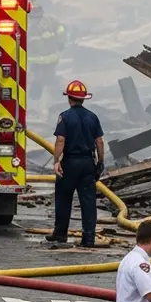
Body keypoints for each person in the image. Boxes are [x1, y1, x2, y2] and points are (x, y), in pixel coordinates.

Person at [46, 79, 105, 247]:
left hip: (70, 163)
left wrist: (56, 161)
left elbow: (60, 140)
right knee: (88, 201)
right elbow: (99, 141)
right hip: (87, 163)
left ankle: (60, 234)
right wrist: (100, 162)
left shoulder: (64, 117)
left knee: (64, 198)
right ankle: (89, 239)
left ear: (69, 98)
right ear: (84, 98)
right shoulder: (93, 117)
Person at [28, 3, 67, 101]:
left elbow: (60, 29)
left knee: (49, 81)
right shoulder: (26, 23)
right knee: (36, 81)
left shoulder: (50, 21)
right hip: (34, 61)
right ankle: (35, 99)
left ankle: (52, 99)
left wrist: (61, 42)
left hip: (48, 59)